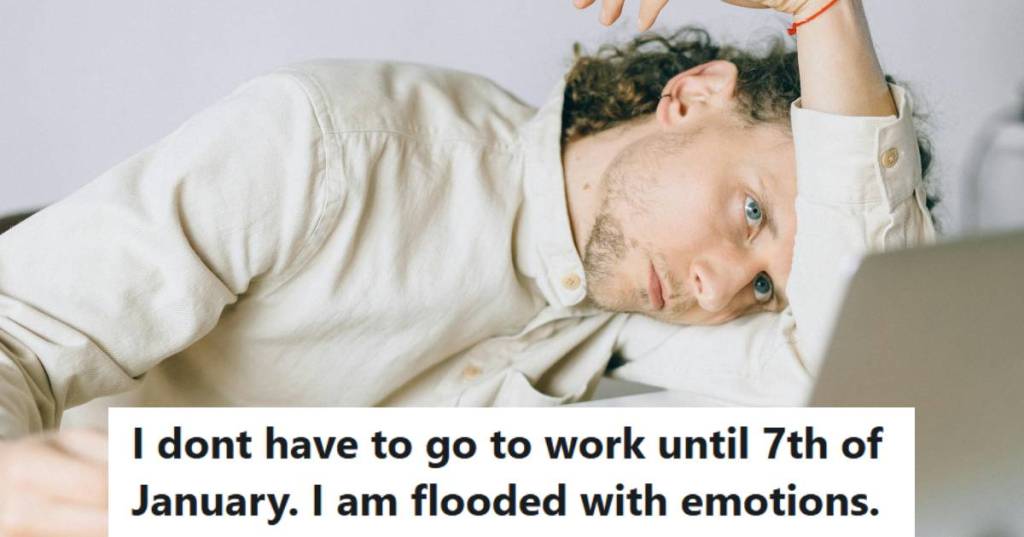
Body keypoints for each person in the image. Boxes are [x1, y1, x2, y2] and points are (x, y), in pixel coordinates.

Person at [0, 0, 935, 534]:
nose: (726, 287)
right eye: (753, 212)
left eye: (768, 281)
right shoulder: (331, 144)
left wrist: (828, 19)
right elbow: (17, 337)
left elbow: (873, 414)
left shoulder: (630, 309)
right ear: (691, 98)